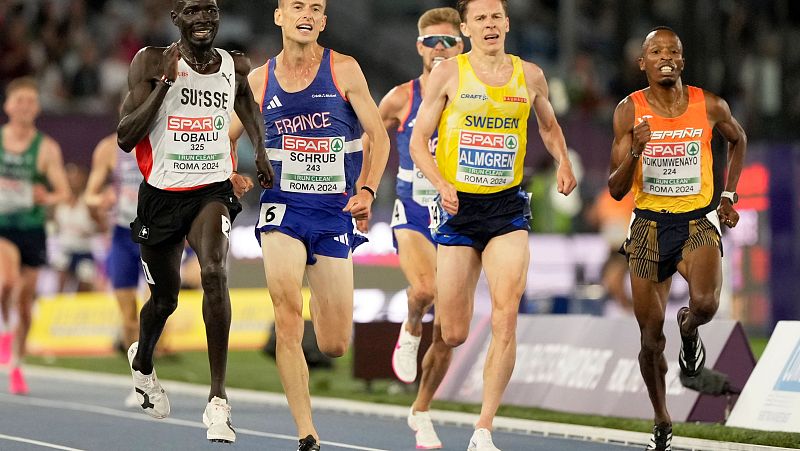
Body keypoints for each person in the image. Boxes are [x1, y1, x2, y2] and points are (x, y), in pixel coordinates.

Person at [409, 1, 577, 450]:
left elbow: (549, 126)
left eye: (495, 17)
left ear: (507, 23)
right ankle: (421, 405)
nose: (489, 24)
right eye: (480, 18)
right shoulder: (449, 74)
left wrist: (562, 161)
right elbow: (418, 141)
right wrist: (441, 183)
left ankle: (483, 428)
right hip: (459, 210)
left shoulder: (531, 75)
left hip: (507, 209)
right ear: (466, 28)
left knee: (506, 315)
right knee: (453, 332)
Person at [229, 1, 389, 449]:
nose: (307, 14)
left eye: (315, 8)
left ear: (322, 21)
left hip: (334, 213)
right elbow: (225, 138)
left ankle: (320, 299)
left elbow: (378, 137)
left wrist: (367, 190)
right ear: (279, 16)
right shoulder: (259, 80)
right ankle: (307, 432)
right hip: (283, 209)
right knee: (286, 315)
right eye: (297, 6)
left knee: (335, 343)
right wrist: (231, 172)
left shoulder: (344, 69)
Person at [116, 0, 273, 443]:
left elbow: (246, 103)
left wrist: (259, 150)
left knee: (214, 273)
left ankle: (218, 401)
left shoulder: (234, 64)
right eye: (192, 11)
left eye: (211, 10)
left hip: (211, 191)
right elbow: (126, 136)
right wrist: (166, 83)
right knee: (164, 300)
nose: (203, 18)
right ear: (176, 19)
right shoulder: (150, 61)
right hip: (161, 196)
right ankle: (143, 361)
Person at [608, 27, 746, 451]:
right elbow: (615, 189)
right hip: (648, 226)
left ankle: (690, 331)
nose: (665, 57)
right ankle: (662, 421)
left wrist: (728, 195)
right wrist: (636, 150)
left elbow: (737, 139)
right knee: (651, 340)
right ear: (642, 63)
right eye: (656, 51)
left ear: (682, 61)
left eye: (673, 51)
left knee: (704, 304)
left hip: (696, 220)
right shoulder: (628, 111)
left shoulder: (710, 105)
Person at [372, 7, 463, 449]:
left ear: (462, 46)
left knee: (449, 328)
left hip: (460, 216)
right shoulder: (400, 97)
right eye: (432, 41)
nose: (440, 48)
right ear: (419, 47)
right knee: (425, 290)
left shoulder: (476, 97)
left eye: (449, 41)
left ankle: (422, 409)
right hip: (413, 210)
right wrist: (362, 187)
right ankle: (410, 327)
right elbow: (370, 136)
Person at [0, 76, 70, 394]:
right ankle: (4, 331)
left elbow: (64, 193)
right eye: (20, 101)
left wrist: (45, 197)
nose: (25, 106)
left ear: (38, 108)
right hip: (3, 226)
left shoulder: (47, 148)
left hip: (32, 229)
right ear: (7, 106)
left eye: (31, 101)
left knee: (25, 304)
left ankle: (17, 362)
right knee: (6, 281)